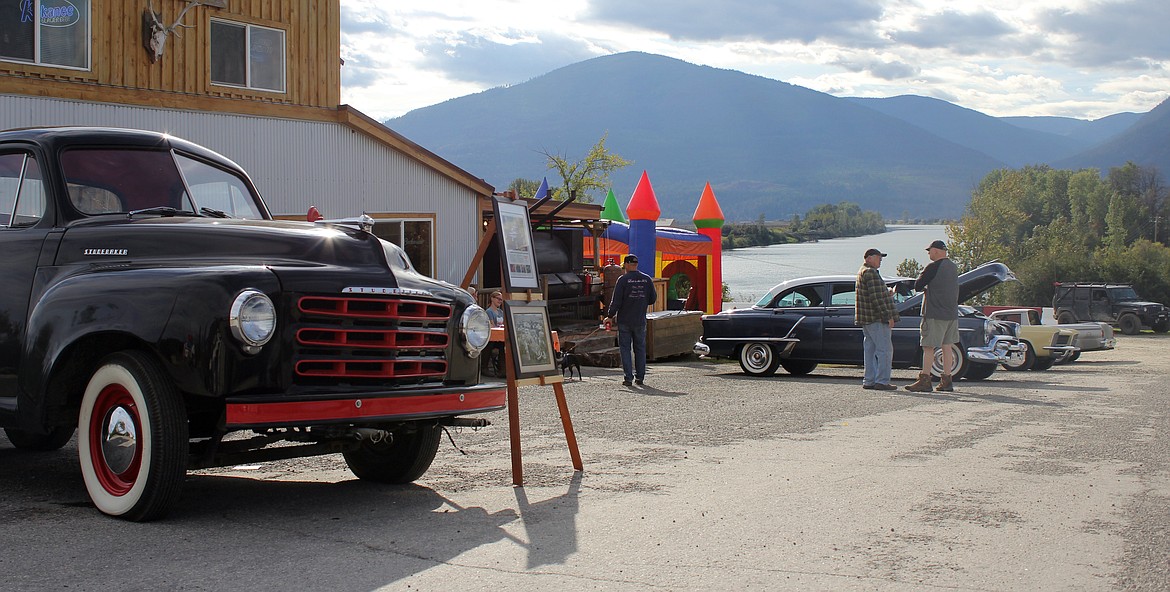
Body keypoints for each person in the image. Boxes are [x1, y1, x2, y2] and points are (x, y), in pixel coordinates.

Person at [906, 240, 959, 393]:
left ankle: (925, 379)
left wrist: (926, 287)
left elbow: (918, 285)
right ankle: (946, 380)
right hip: (951, 314)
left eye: (930, 251)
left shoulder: (933, 267)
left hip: (934, 313)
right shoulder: (953, 267)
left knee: (928, 347)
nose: (929, 253)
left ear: (936, 251)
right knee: (947, 347)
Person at [603, 254, 658, 387]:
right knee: (640, 349)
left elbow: (616, 301)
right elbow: (652, 299)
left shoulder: (623, 280)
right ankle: (640, 377)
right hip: (640, 319)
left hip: (624, 320)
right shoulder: (646, 279)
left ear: (627, 264)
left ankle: (628, 378)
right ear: (636, 264)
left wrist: (609, 316)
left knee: (625, 349)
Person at [855, 248, 900, 391]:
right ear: (869, 258)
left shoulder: (862, 272)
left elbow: (873, 294)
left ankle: (869, 380)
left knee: (870, 350)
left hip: (866, 319)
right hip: (876, 319)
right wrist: (888, 317)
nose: (880, 260)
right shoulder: (871, 273)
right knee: (885, 350)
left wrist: (888, 293)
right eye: (878, 257)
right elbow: (876, 298)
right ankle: (882, 381)